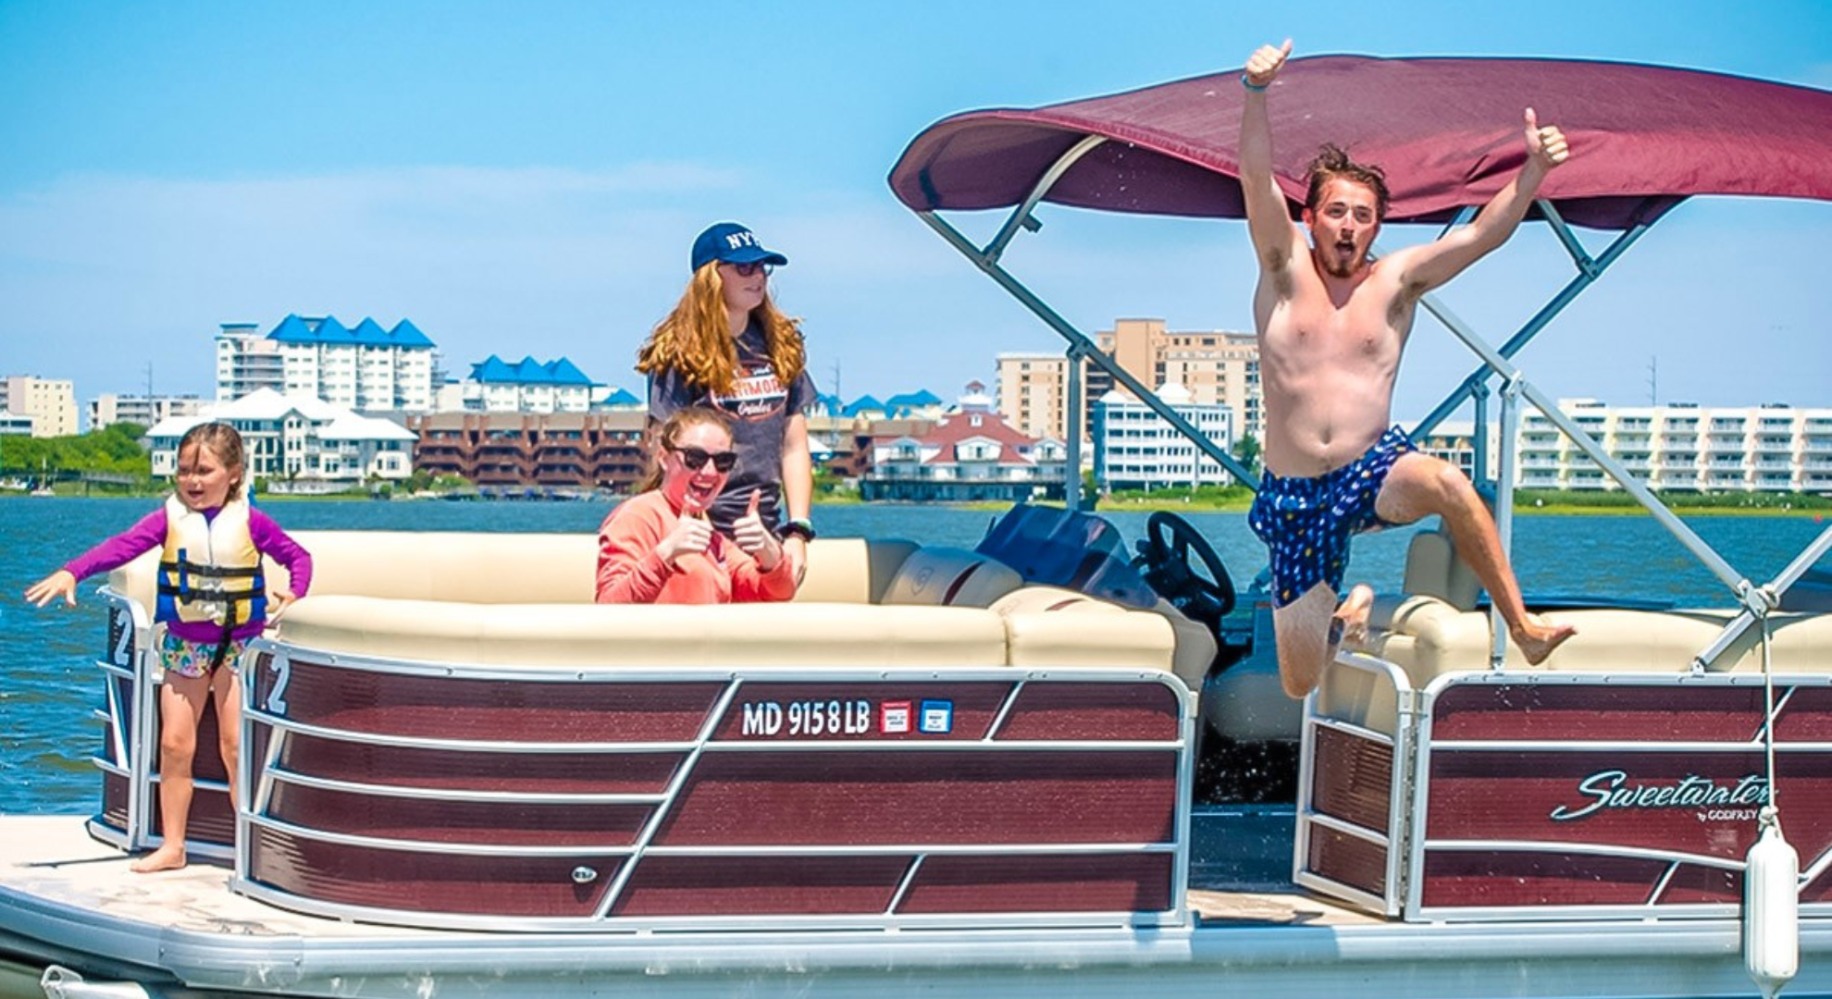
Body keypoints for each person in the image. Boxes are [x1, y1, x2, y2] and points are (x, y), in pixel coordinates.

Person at [1238, 39, 1577, 699]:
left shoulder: (1396, 281)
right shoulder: (1283, 269)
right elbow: (1255, 179)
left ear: (1376, 228)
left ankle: (1524, 624)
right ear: (1310, 218)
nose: (1348, 226)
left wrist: (1533, 170)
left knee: (1447, 481)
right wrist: (1255, 95)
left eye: (1363, 216)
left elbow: (1479, 236)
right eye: (1336, 211)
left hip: (1371, 468)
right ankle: (1351, 608)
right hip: (1295, 495)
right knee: (1299, 682)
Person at [23, 422, 313, 871]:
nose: (192, 481)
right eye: (183, 471)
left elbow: (298, 557)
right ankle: (173, 845)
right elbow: (121, 547)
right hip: (184, 646)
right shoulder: (169, 518)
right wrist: (73, 571)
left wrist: (295, 592)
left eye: (204, 471)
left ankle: (248, 847)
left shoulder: (253, 521)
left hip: (239, 648)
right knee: (175, 745)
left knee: (236, 746)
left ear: (233, 473)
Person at [637, 221, 818, 582]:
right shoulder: (679, 354)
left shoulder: (780, 346)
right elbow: (664, 452)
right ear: (712, 277)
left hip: (762, 530)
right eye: (744, 267)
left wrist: (797, 532)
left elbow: (794, 447)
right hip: (698, 533)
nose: (759, 277)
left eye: (762, 267)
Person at [595, 406, 797, 604]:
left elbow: (777, 592)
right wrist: (666, 553)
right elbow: (609, 606)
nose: (710, 472)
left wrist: (769, 552)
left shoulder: (710, 536)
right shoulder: (638, 516)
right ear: (664, 459)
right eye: (695, 458)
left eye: (723, 461)